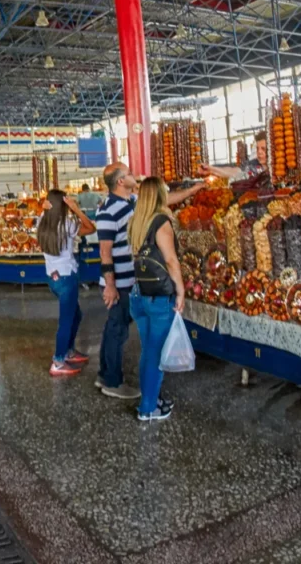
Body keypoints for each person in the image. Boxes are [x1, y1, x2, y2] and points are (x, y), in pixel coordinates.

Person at [96, 162, 203, 400]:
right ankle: (112, 381)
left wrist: (194, 190)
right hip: (120, 283)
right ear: (121, 181)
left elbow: (163, 199)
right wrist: (111, 285)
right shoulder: (108, 210)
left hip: (136, 281)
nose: (135, 175)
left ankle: (104, 375)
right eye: (130, 173)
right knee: (117, 331)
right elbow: (105, 252)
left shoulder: (133, 203)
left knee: (116, 329)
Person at [125, 176, 185, 422]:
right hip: (159, 297)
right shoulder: (161, 223)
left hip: (138, 294)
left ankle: (151, 397)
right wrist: (180, 291)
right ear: (160, 195)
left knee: (148, 351)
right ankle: (148, 408)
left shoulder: (135, 221)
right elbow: (171, 261)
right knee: (155, 353)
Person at [39, 189, 94, 377]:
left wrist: (43, 208)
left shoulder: (42, 222)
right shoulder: (67, 225)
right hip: (66, 278)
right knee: (66, 321)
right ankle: (59, 361)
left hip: (52, 278)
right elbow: (91, 227)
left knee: (76, 315)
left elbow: (42, 214)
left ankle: (68, 350)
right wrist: (76, 209)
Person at [202, 131, 269, 181]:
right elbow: (234, 171)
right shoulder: (253, 165)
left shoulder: (277, 168)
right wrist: (212, 169)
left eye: (263, 149)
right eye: (257, 149)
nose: (259, 152)